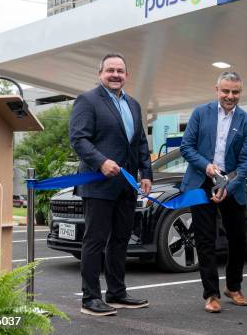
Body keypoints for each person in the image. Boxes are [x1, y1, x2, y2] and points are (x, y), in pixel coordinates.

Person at [69, 53, 152, 316]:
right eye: (110, 70)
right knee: (95, 241)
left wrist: (146, 173)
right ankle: (90, 298)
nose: (115, 75)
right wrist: (101, 161)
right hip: (99, 184)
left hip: (126, 186)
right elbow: (79, 139)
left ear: (126, 75)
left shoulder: (134, 105)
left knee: (120, 240)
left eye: (120, 71)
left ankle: (117, 293)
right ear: (100, 74)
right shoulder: (88, 100)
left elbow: (139, 142)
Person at [180, 71, 247, 313]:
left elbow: (246, 162)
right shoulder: (200, 113)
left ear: (240, 93)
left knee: (238, 239)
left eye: (235, 92)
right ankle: (211, 294)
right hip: (202, 180)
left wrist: (227, 185)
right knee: (205, 239)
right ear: (216, 90)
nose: (230, 96)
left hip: (232, 183)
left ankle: (233, 287)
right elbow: (186, 147)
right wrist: (206, 165)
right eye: (226, 91)